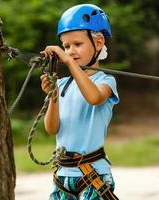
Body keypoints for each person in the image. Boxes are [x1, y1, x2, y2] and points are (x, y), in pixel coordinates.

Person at [40, 4, 120, 200]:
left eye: (77, 44)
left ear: (99, 42)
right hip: (63, 176)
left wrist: (68, 62)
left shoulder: (105, 81)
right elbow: (51, 128)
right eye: (66, 46)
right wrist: (53, 95)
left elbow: (93, 98)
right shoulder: (62, 84)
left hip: (93, 175)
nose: (70, 51)